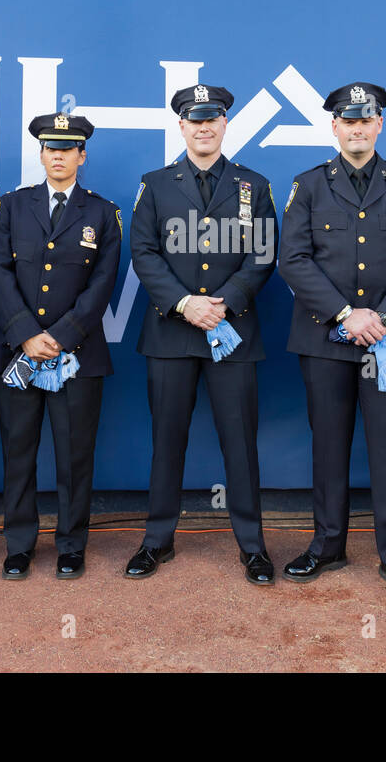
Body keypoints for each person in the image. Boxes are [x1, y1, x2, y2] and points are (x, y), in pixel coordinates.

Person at [279, 83, 386, 602]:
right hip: (326, 337)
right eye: (348, 122)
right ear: (335, 127)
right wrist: (348, 314)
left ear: (379, 125)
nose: (358, 129)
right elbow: (293, 259)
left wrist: (383, 318)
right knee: (328, 445)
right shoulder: (308, 185)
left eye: (366, 121)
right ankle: (328, 545)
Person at [126, 85, 278, 585]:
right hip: (172, 332)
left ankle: (253, 546)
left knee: (241, 444)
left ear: (225, 123)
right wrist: (186, 303)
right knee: (166, 442)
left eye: (213, 119)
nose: (204, 127)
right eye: (195, 121)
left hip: (232, 331)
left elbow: (262, 254)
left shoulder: (253, 185)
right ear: (182, 127)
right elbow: (144, 252)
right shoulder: (156, 184)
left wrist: (225, 302)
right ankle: (156, 541)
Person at [0, 115, 120, 581]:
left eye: (69, 148)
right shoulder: (13, 207)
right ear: (41, 155)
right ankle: (19, 545)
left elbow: (103, 282)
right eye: (50, 148)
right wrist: (25, 332)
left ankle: (70, 545)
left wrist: (61, 336)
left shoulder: (102, 212)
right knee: (18, 453)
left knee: (74, 454)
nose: (58, 155)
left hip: (76, 356)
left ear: (82, 155)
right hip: (16, 354)